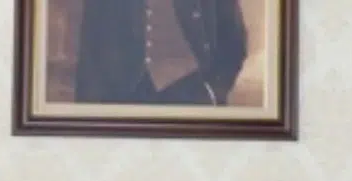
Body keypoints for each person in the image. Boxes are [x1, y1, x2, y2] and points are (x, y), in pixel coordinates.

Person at [72, 0, 249, 106]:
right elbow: (91, 45)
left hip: (191, 91)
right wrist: (87, 112)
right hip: (124, 93)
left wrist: (214, 92)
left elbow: (234, 41)